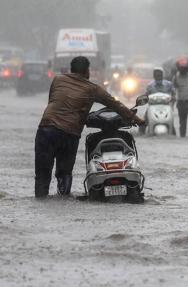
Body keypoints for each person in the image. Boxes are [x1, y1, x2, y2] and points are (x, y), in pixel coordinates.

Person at [35, 56, 144, 198]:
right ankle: (62, 199)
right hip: (69, 133)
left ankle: (40, 200)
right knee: (64, 173)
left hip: (46, 129)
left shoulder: (57, 80)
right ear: (87, 72)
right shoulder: (92, 89)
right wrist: (137, 120)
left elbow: (53, 101)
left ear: (71, 70)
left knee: (42, 174)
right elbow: (116, 104)